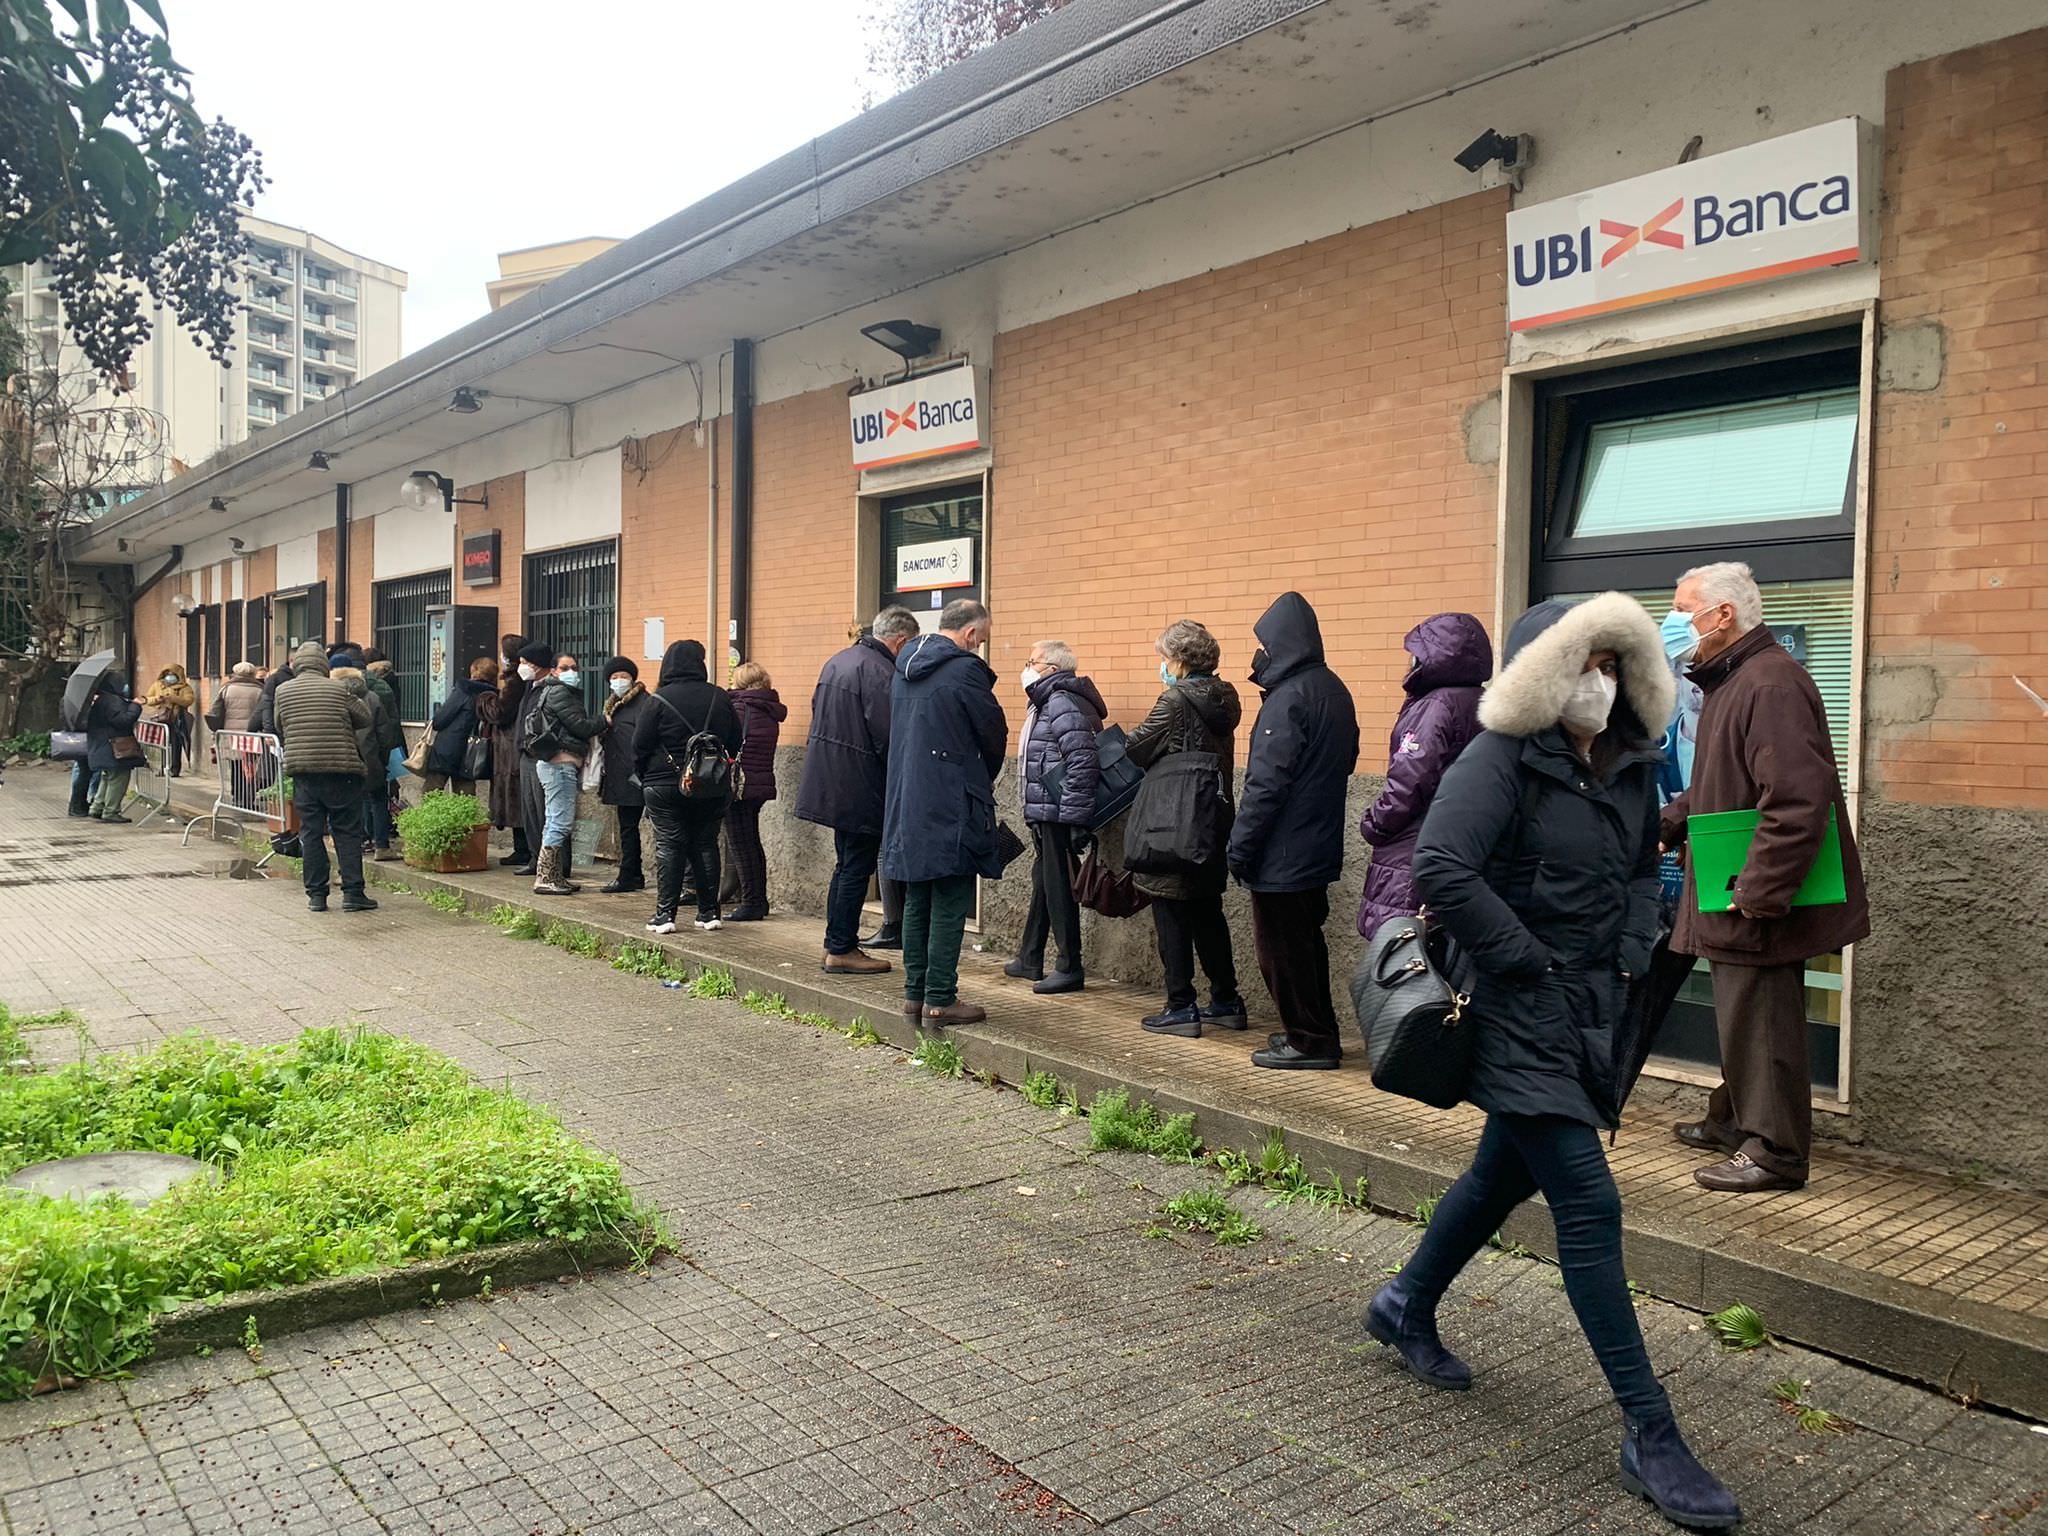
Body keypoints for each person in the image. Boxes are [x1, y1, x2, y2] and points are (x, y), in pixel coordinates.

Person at [1368, 592, 1739, 1533]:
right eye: (1584, 664)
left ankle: (1405, 1302)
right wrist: (1527, 960)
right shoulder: (1499, 757)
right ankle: (1650, 1429)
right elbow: (1442, 867)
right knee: (1588, 1201)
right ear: (1543, 672)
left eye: (1614, 666)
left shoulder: (1630, 764)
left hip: (1589, 1005)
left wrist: (1634, 944)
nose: (1599, 684)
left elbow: (1637, 870)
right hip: (1512, 1003)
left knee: (1501, 1174)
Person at [1659, 562, 1869, 1195]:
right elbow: (1724, 781)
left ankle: (1775, 1153)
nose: (1673, 621)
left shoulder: (1770, 684)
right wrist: (1672, 821)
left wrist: (1759, 889)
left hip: (1753, 889)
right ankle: (1733, 1121)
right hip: (1738, 879)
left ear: (1722, 615)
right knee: (1743, 1010)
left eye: (1682, 609)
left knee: (1763, 1014)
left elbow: (1797, 799)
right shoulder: (1736, 680)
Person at [1227, 592, 1359, 1070]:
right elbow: (1347, 760)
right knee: (1306, 946)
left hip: (1282, 853)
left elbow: (1266, 784)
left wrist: (1240, 848)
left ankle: (1308, 1041)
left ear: (1282, 644)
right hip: (1316, 844)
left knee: (1283, 952)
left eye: (1264, 646)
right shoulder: (1333, 690)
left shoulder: (1288, 699)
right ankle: (1316, 1032)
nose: (1259, 655)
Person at [881, 599, 1006, 1028]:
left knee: (917, 897)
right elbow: (992, 733)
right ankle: (940, 998)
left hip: (908, 797)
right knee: (951, 898)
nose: (980, 646)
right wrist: (979, 778)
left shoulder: (903, 667)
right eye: (981, 639)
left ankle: (914, 995)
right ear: (970, 633)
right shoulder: (965, 670)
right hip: (952, 799)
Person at [1126, 619, 1245, 1036]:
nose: (1161, 665)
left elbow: (1137, 748)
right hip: (1212, 817)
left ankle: (1180, 1005)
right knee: (1208, 910)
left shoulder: (1174, 700)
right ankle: (1226, 1000)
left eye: (1163, 657)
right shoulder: (1226, 697)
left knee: (1171, 908)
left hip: (1172, 821)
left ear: (1178, 661)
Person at [795, 607, 921, 974]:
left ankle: (834, 942)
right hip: (862, 783)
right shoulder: (880, 671)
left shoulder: (839, 661)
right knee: (855, 868)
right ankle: (842, 947)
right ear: (901, 641)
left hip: (835, 779)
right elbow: (889, 734)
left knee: (845, 866)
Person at [1356, 613, 1493, 939]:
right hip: (1459, 846)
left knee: (1403, 950)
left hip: (1413, 850)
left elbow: (1409, 782)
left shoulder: (1436, 706)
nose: (1411, 661)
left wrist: (1374, 823)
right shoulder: (1481, 702)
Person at [1008, 640, 1104, 994]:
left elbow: (1082, 759)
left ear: (1052, 669)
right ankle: (1030, 956)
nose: (1026, 668)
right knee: (1044, 880)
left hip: (1057, 810)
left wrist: (1075, 818)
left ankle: (1069, 965)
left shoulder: (1060, 701)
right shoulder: (1048, 700)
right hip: (1047, 808)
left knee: (1059, 886)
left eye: (1032, 661)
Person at [635, 639, 742, 933]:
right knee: (706, 843)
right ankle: (709, 913)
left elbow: (640, 744)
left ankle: (665, 916)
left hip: (663, 783)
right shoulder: (719, 696)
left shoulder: (658, 699)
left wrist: (645, 775)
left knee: (670, 844)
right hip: (710, 784)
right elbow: (735, 739)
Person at [273, 641, 377, 914]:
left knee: (310, 832)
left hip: (304, 771)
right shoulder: (339, 688)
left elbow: (279, 724)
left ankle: (316, 896)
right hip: (341, 770)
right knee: (346, 832)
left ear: (297, 665)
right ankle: (353, 893)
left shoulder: (283, 691)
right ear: (323, 664)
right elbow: (365, 717)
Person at [522, 650, 606, 896]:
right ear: (554, 671)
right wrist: (604, 720)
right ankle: (546, 877)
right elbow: (580, 726)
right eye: (565, 668)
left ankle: (552, 875)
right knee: (560, 821)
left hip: (554, 763)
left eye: (574, 668)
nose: (571, 672)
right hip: (559, 764)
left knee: (554, 819)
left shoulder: (550, 691)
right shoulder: (559, 692)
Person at [726, 662, 787, 922]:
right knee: (750, 840)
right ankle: (757, 899)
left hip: (740, 785)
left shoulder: (740, 708)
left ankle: (752, 901)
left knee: (742, 844)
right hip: (759, 782)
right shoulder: (769, 709)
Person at [597, 656, 652, 894]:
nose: (619, 680)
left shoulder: (644, 703)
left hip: (639, 774)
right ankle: (631, 873)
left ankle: (631, 874)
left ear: (633, 678)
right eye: (614, 677)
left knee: (656, 829)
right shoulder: (612, 705)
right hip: (620, 774)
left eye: (624, 676)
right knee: (627, 829)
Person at [423, 656, 499, 797]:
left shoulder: (464, 690)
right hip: (473, 753)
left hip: (447, 749)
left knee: (432, 793)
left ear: (474, 671)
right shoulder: (494, 697)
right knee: (465, 798)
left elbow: (440, 720)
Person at [359, 648, 405, 861]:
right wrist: (385, 756)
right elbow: (388, 726)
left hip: (351, 753)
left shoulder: (338, 690)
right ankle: (381, 844)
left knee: (360, 799)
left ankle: (363, 839)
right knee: (379, 797)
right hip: (376, 752)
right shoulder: (381, 688)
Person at [492, 634, 533, 868]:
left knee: (517, 799)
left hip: (512, 747)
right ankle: (521, 848)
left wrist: (486, 700)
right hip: (511, 747)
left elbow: (500, 712)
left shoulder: (516, 682)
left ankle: (524, 849)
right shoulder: (517, 679)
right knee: (517, 799)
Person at [83, 670, 144, 822]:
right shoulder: (113, 701)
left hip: (102, 746)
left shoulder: (101, 700)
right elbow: (123, 721)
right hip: (114, 748)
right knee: (118, 779)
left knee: (107, 778)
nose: (125, 687)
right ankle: (111, 811)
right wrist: (135, 706)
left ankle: (97, 807)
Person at [142, 661, 194, 777]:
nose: (169, 677)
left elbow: (189, 700)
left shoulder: (185, 688)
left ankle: (174, 769)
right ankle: (161, 767)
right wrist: (157, 699)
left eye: (172, 674)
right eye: (167, 674)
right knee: (160, 744)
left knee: (176, 744)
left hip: (176, 719)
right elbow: (147, 699)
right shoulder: (157, 685)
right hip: (160, 718)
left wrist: (174, 698)